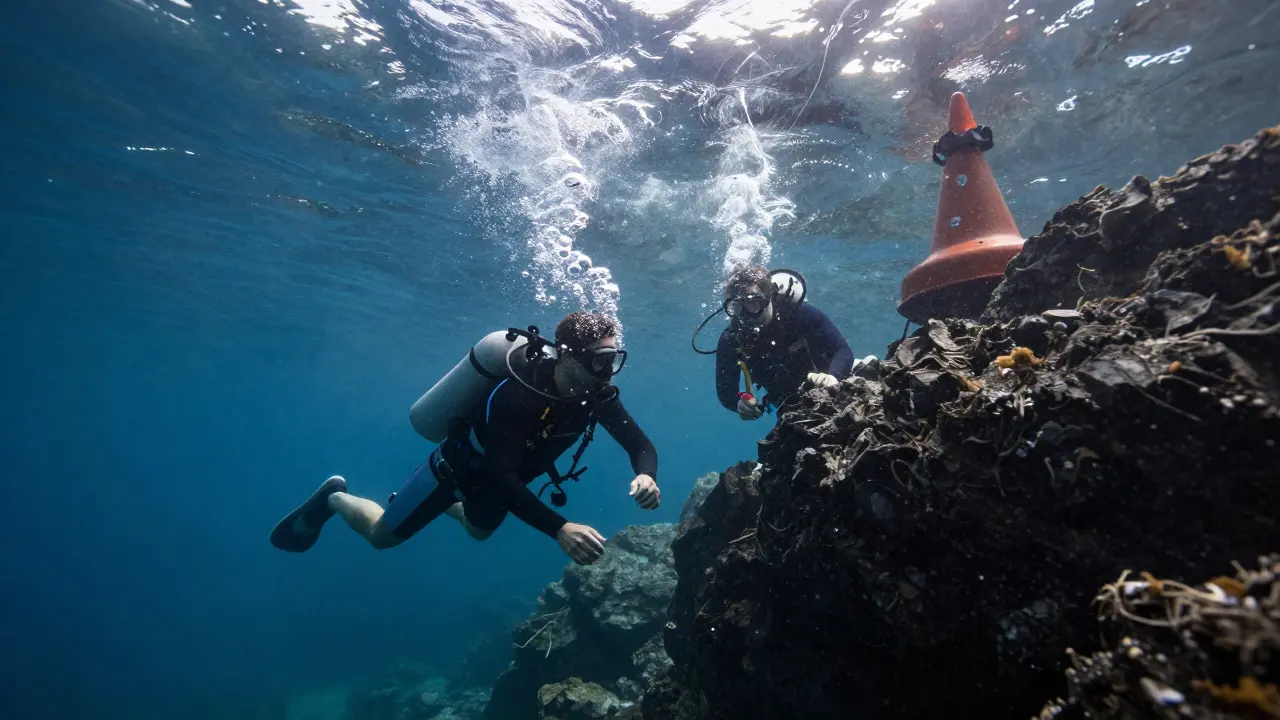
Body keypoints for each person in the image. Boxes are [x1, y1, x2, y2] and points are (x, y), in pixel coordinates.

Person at [269, 311, 660, 566]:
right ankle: (334, 498)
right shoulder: (519, 397)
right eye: (598, 360)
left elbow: (640, 445)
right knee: (381, 537)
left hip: (500, 483)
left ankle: (443, 507)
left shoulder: (597, 396)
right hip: (456, 472)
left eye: (614, 359)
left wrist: (646, 475)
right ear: (568, 356)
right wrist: (559, 527)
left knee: (479, 532)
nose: (608, 371)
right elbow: (500, 475)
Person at [714, 265, 853, 420]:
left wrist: (834, 376)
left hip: (835, 387)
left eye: (753, 303)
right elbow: (726, 392)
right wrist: (739, 402)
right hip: (791, 408)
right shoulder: (731, 339)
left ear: (769, 297)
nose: (745, 316)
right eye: (736, 307)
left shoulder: (800, 314)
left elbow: (842, 350)